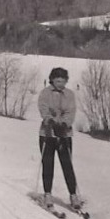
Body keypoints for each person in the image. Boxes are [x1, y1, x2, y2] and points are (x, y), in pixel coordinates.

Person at [37, 67, 83, 210]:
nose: (60, 84)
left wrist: (64, 124)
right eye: (57, 80)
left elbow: (71, 111)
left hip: (64, 134)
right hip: (48, 133)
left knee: (67, 164)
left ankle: (73, 195)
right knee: (48, 163)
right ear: (52, 80)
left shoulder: (69, 94)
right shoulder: (45, 93)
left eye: (63, 81)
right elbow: (43, 108)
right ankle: (47, 194)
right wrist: (50, 121)